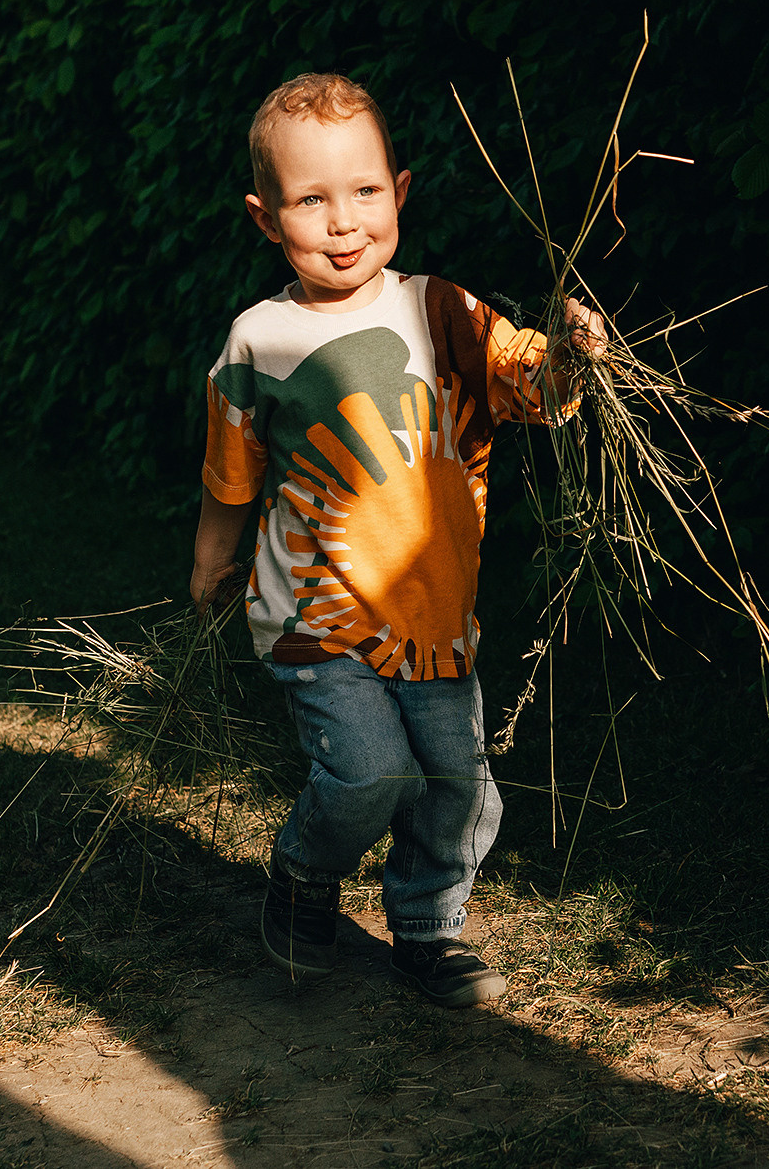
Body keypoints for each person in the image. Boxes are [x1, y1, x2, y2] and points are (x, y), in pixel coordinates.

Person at [190, 72, 602, 1008]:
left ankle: (425, 930)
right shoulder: (262, 339)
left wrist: (576, 352)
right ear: (266, 219)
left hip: (434, 613)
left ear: (400, 192)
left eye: (366, 191)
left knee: (458, 784)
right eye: (312, 200)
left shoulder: (447, 312)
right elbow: (232, 472)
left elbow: (536, 389)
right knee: (370, 773)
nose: (344, 222)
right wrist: (212, 558)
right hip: (315, 617)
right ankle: (301, 875)